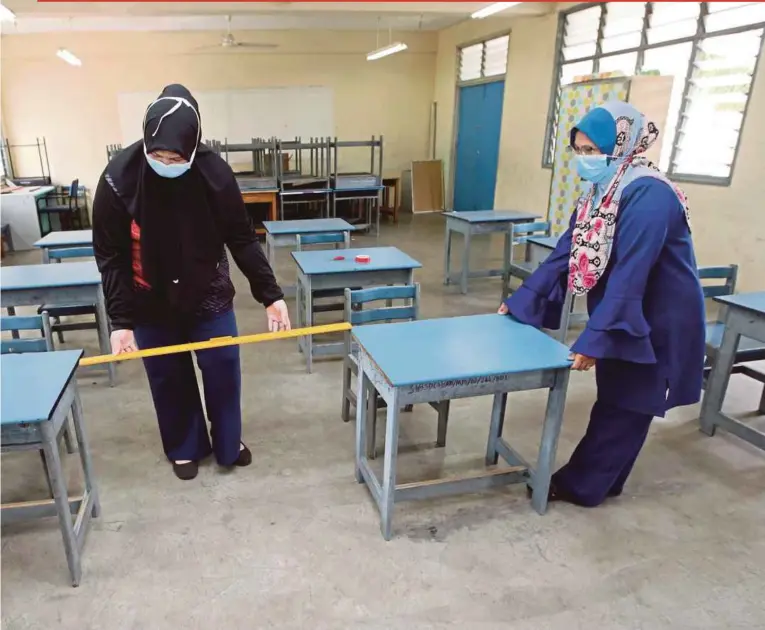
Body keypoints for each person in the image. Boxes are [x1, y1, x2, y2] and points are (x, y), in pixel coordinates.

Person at [500, 100, 705, 507]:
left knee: (628, 400)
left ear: (623, 144)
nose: (584, 159)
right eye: (579, 150)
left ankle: (582, 485)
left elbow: (632, 271)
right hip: (625, 308)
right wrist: (523, 301)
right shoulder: (603, 190)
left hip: (657, 314)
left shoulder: (648, 193)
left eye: (592, 151)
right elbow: (567, 249)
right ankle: (604, 480)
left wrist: (597, 338)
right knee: (622, 397)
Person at [93, 84, 291, 481]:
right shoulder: (118, 179)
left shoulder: (214, 174)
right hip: (149, 293)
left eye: (175, 156)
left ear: (194, 145)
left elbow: (241, 237)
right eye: (157, 155)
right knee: (168, 373)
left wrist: (270, 294)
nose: (165, 162)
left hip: (207, 289)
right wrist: (121, 321)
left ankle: (228, 440)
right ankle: (185, 445)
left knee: (221, 365)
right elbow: (111, 255)